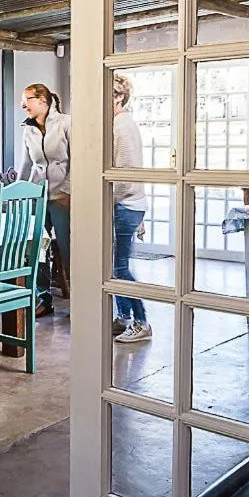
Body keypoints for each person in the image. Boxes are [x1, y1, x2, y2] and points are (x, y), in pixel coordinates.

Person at [18, 83, 71, 318]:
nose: (23, 105)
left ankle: (82, 300)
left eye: (27, 99)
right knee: (37, 248)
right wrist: (18, 193)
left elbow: (79, 161)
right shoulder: (28, 130)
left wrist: (69, 192)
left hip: (63, 198)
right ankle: (43, 298)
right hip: (38, 198)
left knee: (70, 251)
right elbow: (26, 165)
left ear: (43, 101)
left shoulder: (66, 124)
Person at [111, 74, 151, 343]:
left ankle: (141, 322)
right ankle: (123, 317)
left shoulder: (120, 127)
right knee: (114, 268)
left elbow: (123, 176)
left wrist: (102, 201)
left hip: (125, 205)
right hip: (129, 204)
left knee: (120, 268)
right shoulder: (122, 123)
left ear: (119, 97)